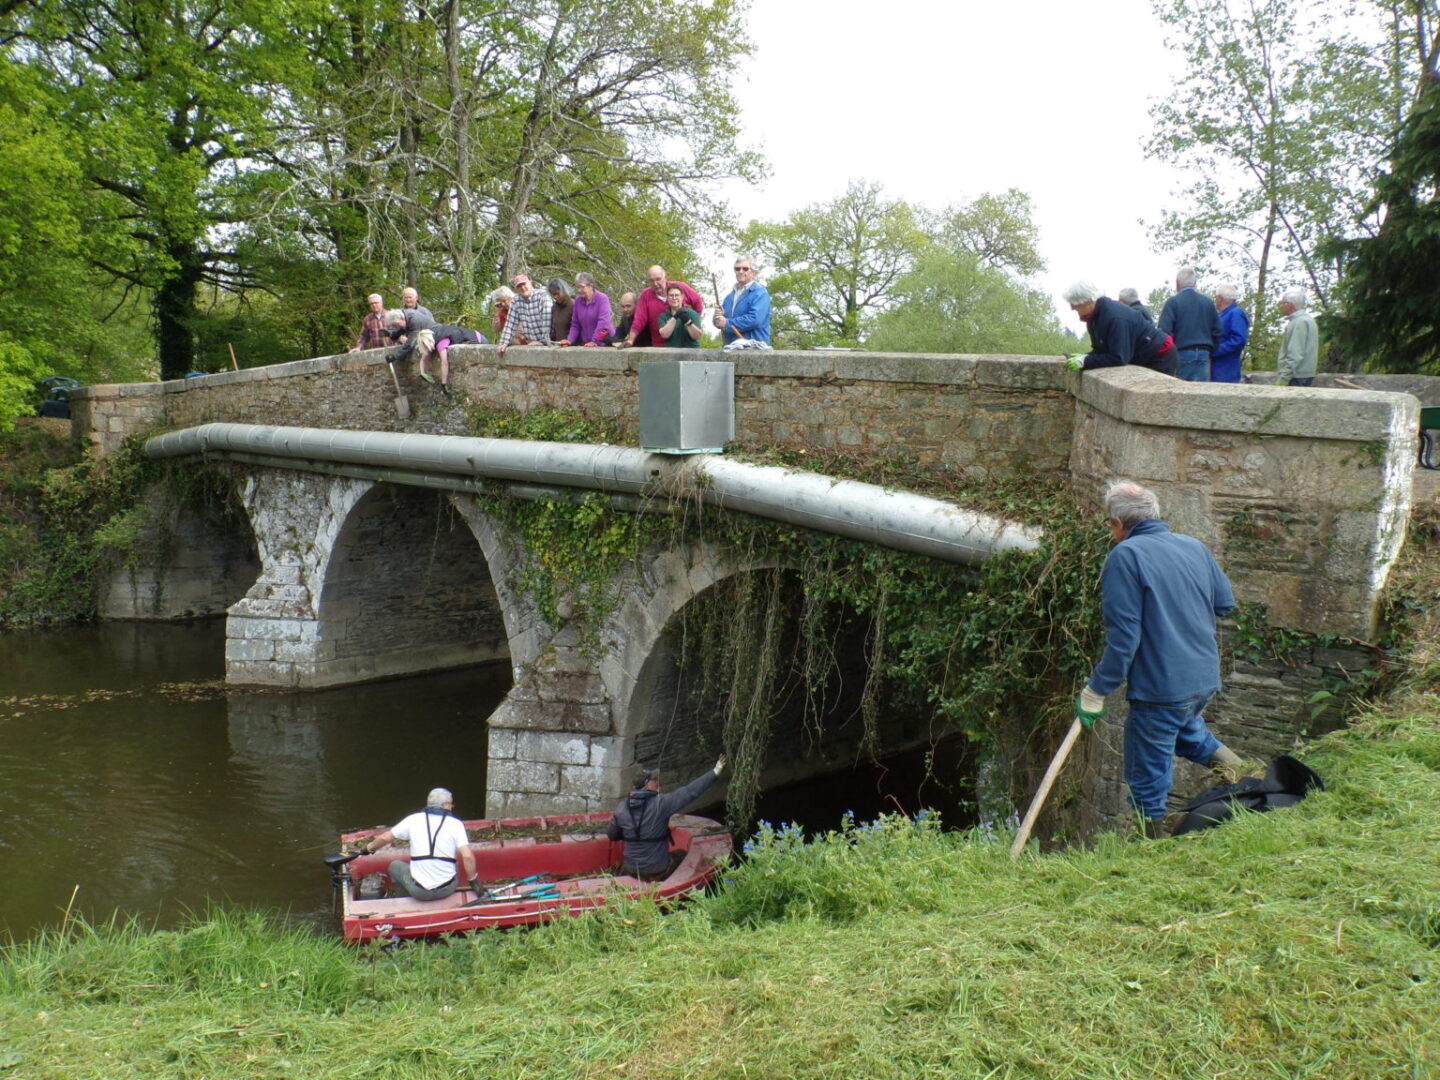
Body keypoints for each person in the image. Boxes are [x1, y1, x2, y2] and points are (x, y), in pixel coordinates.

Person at [1073, 482, 1245, 837]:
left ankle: (1150, 851)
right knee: (1187, 734)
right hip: (1202, 678)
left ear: (1118, 522)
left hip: (1161, 687)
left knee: (1147, 776)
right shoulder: (1193, 546)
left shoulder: (1126, 557)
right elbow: (1224, 603)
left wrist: (1096, 691)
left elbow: (1124, 640)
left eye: (1110, 525)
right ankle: (1246, 773)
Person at [607, 757, 726, 881]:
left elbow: (612, 835)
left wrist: (634, 833)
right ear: (647, 785)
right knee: (681, 854)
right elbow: (690, 792)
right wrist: (715, 772)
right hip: (657, 872)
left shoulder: (622, 807)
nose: (657, 782)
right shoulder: (662, 803)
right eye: (654, 780)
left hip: (630, 870)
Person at [360, 787, 477, 900]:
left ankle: (404, 901)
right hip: (446, 890)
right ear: (445, 805)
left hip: (420, 892)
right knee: (454, 865)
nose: (452, 807)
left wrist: (368, 848)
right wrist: (473, 881)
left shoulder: (413, 819)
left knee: (394, 866)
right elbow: (467, 856)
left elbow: (385, 838)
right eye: (451, 804)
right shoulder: (456, 824)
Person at [1061, 281, 1178, 377]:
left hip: (1159, 355)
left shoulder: (1115, 317)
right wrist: (1085, 356)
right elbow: (1101, 350)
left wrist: (1085, 361)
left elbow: (1118, 357)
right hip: (1142, 355)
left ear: (1088, 301)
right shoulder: (1094, 318)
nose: (1072, 308)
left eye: (1074, 304)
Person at [1157, 268, 1221, 382]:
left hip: (1182, 352)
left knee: (1182, 395)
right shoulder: (1208, 303)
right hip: (1204, 353)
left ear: (1177, 284)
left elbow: (1164, 332)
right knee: (1202, 395)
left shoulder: (1173, 302)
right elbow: (1217, 332)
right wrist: (1211, 351)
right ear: (1195, 283)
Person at [625, 266, 703, 348]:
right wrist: (631, 340)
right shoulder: (646, 296)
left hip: (686, 345)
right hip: (660, 346)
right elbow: (639, 320)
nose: (655, 284)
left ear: (665, 277)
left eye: (658, 279)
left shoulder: (680, 287)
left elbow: (698, 301)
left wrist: (694, 320)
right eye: (651, 281)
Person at [714, 255, 772, 346]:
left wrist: (727, 323)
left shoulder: (760, 293)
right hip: (732, 347)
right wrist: (717, 317)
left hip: (755, 348)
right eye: (737, 269)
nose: (741, 271)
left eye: (745, 269)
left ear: (753, 272)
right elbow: (720, 322)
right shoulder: (729, 297)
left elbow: (754, 319)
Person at [496, 274, 552, 356]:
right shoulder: (516, 300)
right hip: (531, 345)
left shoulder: (543, 295)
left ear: (530, 282)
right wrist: (503, 343)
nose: (522, 288)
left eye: (524, 284)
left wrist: (543, 341)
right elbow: (510, 323)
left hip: (549, 344)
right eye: (519, 286)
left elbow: (547, 320)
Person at [422, 322, 485, 394]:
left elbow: (444, 363)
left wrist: (443, 383)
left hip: (477, 339)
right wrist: (422, 372)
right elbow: (424, 358)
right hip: (473, 334)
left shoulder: (441, 343)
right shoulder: (437, 333)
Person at [1276, 287, 1319, 387]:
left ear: (1289, 305)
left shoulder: (1299, 322)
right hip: (1303, 374)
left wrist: (1283, 378)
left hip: (1297, 376)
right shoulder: (1307, 320)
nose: (1280, 306)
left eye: (1282, 303)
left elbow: (1295, 354)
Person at [559, 272, 614, 348]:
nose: (579, 290)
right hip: (586, 344)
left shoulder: (603, 299)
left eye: (582, 287)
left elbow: (603, 323)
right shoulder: (578, 301)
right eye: (577, 287)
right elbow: (575, 324)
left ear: (591, 286)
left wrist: (594, 341)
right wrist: (570, 340)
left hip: (604, 344)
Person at [1211, 283, 1250, 383]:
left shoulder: (1235, 313)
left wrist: (1215, 351)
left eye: (1216, 298)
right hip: (1218, 367)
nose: (1215, 300)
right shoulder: (1224, 314)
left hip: (1226, 368)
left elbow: (1238, 340)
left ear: (1220, 298)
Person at [385, 306, 437, 374]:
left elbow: (410, 343)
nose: (397, 327)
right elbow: (402, 330)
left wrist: (395, 356)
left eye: (396, 325)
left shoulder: (414, 320)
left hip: (433, 337)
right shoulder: (406, 316)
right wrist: (389, 334)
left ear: (401, 318)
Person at [547, 278, 574, 345]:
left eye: (557, 294)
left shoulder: (574, 305)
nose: (555, 297)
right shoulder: (554, 308)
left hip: (573, 345)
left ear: (564, 291)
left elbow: (576, 328)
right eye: (553, 294)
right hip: (559, 345)